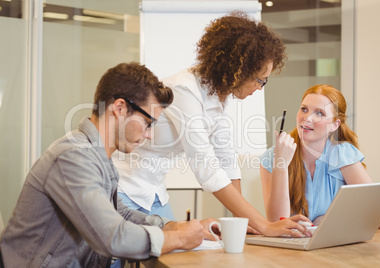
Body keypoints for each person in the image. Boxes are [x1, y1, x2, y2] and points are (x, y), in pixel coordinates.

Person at [112, 12, 312, 237]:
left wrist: (244, 220)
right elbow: (205, 165)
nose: (260, 87)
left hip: (154, 193)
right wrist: (264, 225)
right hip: (124, 189)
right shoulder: (184, 90)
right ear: (238, 70)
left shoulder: (219, 97)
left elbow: (226, 158)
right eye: (259, 79)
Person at [0, 62, 213, 268]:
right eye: (148, 123)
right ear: (120, 108)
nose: (149, 135)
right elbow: (113, 237)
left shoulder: (97, 157)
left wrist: (173, 226)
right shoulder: (73, 157)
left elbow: (120, 213)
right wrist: (180, 239)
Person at [260, 84, 380, 228]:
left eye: (319, 113)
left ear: (334, 125)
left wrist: (327, 219)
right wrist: (281, 165)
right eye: (304, 109)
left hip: (332, 246)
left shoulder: (342, 154)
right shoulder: (271, 157)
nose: (307, 118)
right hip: (290, 247)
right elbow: (277, 222)